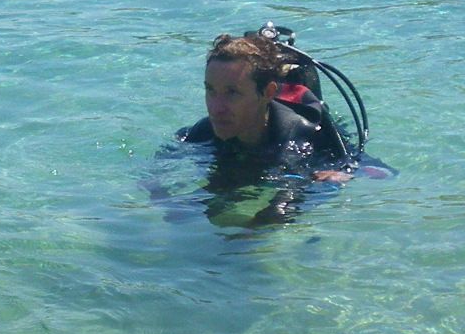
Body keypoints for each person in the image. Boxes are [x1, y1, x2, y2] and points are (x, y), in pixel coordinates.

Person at [164, 30, 385, 226]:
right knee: (191, 213)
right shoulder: (205, 130)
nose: (216, 108)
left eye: (232, 93)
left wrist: (339, 177)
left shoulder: (303, 137)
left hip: (286, 167)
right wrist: (161, 195)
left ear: (268, 93)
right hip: (247, 160)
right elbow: (159, 170)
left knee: (271, 218)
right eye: (211, 90)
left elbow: (384, 173)